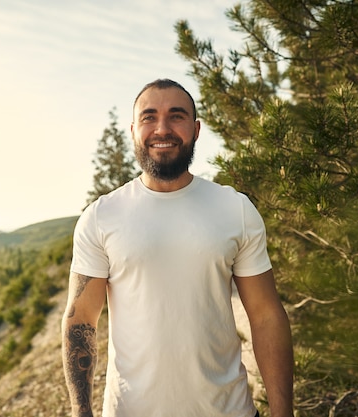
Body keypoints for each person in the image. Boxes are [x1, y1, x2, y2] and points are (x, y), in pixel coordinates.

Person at [62, 79, 294, 417]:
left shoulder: (235, 209)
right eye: (149, 117)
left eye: (176, 116)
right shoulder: (101, 217)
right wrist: (81, 413)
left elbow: (266, 316)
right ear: (132, 130)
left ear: (196, 129)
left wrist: (283, 413)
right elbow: (80, 320)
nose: (162, 128)